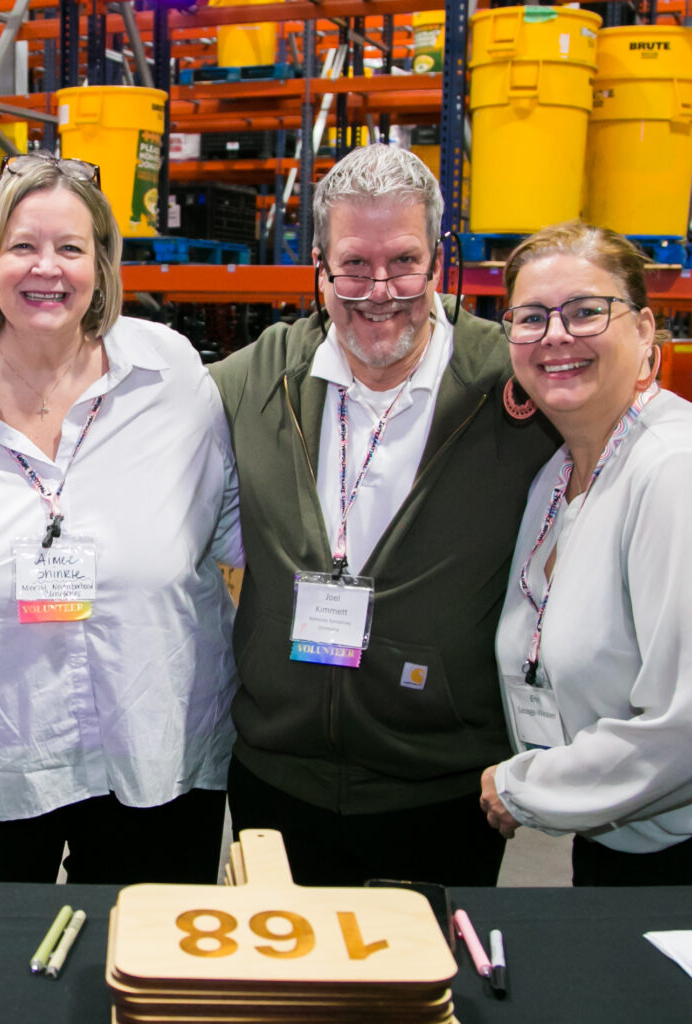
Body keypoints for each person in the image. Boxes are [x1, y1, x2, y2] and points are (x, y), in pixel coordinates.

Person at [0, 152, 241, 885]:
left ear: (102, 262)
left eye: (71, 247)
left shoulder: (169, 378)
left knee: (148, 979)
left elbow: (237, 528)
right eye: (23, 246)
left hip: (154, 754)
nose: (49, 268)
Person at [210, 143, 559, 887]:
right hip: (279, 778)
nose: (379, 290)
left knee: (426, 995)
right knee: (287, 998)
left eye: (403, 262)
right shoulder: (257, 378)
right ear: (319, 267)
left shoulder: (512, 385)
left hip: (440, 787)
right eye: (354, 265)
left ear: (439, 260)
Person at [480, 222, 692, 886]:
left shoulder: (671, 471)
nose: (557, 336)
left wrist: (526, 785)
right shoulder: (558, 475)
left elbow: (681, 726)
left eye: (586, 311)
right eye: (532, 317)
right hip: (616, 843)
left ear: (645, 327)